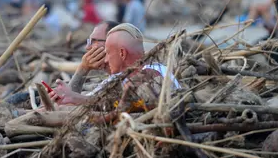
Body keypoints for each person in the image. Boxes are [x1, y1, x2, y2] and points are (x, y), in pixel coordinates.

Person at [49, 23, 180, 106]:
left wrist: (74, 97)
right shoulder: (116, 78)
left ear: (122, 53)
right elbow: (79, 103)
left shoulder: (152, 72)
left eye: (107, 52)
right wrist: (68, 95)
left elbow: (112, 103)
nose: (88, 48)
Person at [68, 21, 120, 93]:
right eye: (89, 41)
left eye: (94, 41)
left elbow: (70, 100)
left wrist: (83, 68)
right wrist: (84, 67)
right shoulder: (107, 77)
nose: (87, 47)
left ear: (112, 43)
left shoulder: (128, 79)